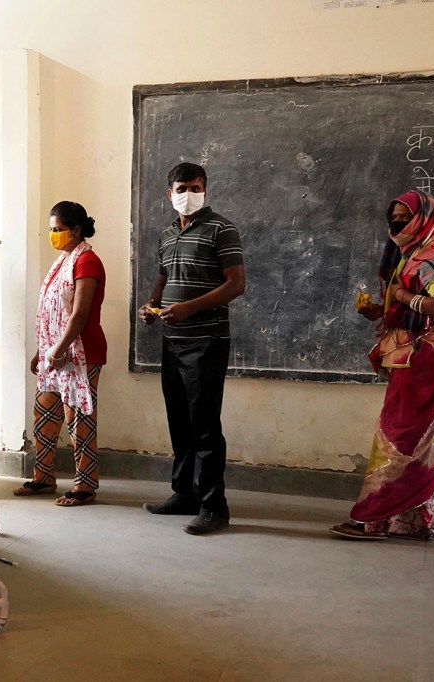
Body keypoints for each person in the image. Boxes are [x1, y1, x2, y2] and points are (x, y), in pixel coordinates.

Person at [330, 190, 434, 542]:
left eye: (406, 216)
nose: (397, 222)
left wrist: (402, 297)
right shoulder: (408, 256)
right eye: (395, 215)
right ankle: (413, 521)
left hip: (427, 365)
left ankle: (373, 520)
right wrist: (382, 311)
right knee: (413, 440)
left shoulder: (431, 261)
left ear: (423, 220)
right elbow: (412, 313)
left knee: (399, 440)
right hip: (412, 361)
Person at [139, 162, 245, 535]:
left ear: (205, 190)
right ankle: (184, 493)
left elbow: (235, 284)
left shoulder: (221, 228)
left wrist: (189, 308)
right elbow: (164, 275)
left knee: (204, 425)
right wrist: (152, 305)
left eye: (195, 187)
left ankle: (214, 506)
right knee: (180, 422)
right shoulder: (167, 234)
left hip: (206, 340)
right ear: (170, 194)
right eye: (181, 188)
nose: (188, 194)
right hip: (173, 340)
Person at [13, 201, 106, 507]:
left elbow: (78, 315)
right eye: (51, 230)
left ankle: (85, 486)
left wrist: (59, 348)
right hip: (55, 352)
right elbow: (51, 312)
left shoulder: (86, 261)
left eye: (58, 230)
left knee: (79, 418)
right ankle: (44, 477)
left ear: (76, 230)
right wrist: (43, 351)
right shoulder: (63, 261)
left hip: (81, 351)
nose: (53, 235)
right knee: (45, 413)